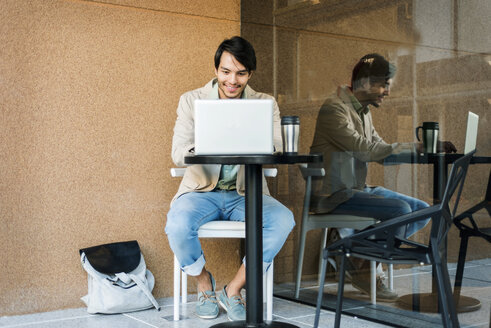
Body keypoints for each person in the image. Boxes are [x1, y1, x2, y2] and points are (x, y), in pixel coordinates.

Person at [165, 36, 295, 321]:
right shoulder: (191, 101)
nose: (232, 80)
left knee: (283, 219)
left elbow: (277, 147)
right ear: (216, 70)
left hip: (246, 194)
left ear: (250, 74)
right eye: (226, 71)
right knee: (176, 224)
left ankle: (233, 289)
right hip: (200, 191)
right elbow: (178, 153)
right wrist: (212, 142)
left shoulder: (265, 103)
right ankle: (204, 283)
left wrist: (253, 142)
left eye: (240, 73)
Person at [309, 53, 456, 301]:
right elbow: (366, 150)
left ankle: (354, 254)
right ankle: (359, 263)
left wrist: (423, 147)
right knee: (400, 209)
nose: (387, 91)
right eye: (384, 84)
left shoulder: (364, 112)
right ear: (365, 83)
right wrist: (419, 148)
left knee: (420, 210)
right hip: (333, 195)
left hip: (358, 189)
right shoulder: (334, 109)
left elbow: (381, 148)